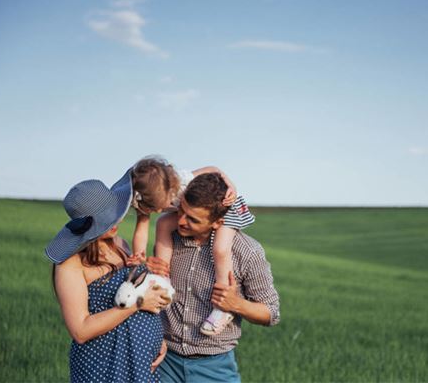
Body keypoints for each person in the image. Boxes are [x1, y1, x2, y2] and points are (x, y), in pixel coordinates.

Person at [146, 172, 280, 383]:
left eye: (192, 219)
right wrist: (146, 273)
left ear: (218, 222)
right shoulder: (168, 241)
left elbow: (271, 313)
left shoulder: (247, 252)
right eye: (181, 211)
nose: (181, 221)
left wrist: (236, 304)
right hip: (163, 361)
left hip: (214, 368)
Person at [45, 174, 171, 382]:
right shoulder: (70, 265)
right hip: (104, 365)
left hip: (141, 361)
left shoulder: (120, 244)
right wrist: (137, 305)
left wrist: (158, 340)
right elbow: (81, 330)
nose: (115, 221)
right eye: (106, 218)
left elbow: (134, 291)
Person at [125, 156, 255, 336]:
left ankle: (222, 308)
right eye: (152, 208)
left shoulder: (184, 179)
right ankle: (163, 282)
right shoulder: (145, 195)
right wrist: (138, 255)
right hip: (190, 211)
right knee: (163, 224)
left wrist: (230, 184)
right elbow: (141, 230)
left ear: (172, 188)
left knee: (220, 249)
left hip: (225, 207)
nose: (156, 211)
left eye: (161, 205)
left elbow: (213, 168)